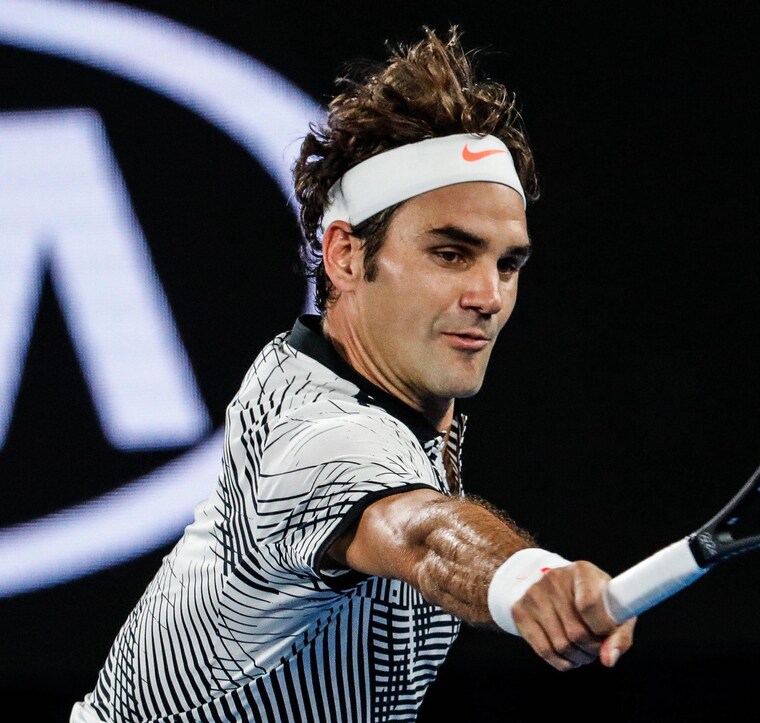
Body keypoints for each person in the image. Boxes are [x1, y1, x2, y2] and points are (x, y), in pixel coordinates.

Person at [71, 25, 636, 723]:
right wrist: (525, 576)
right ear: (344, 255)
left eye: (508, 263)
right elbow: (422, 532)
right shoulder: (313, 433)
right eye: (451, 253)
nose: (489, 295)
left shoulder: (383, 398)